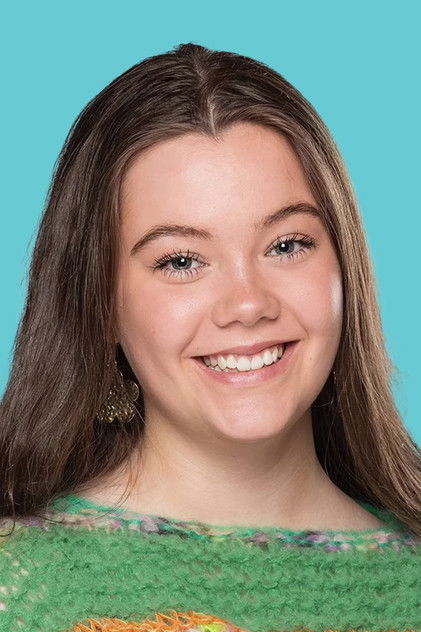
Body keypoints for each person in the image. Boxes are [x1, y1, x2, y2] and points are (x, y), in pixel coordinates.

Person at [0, 42, 419, 632]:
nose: (247, 304)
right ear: (100, 304)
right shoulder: (16, 585)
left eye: (286, 246)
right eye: (181, 261)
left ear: (346, 266)